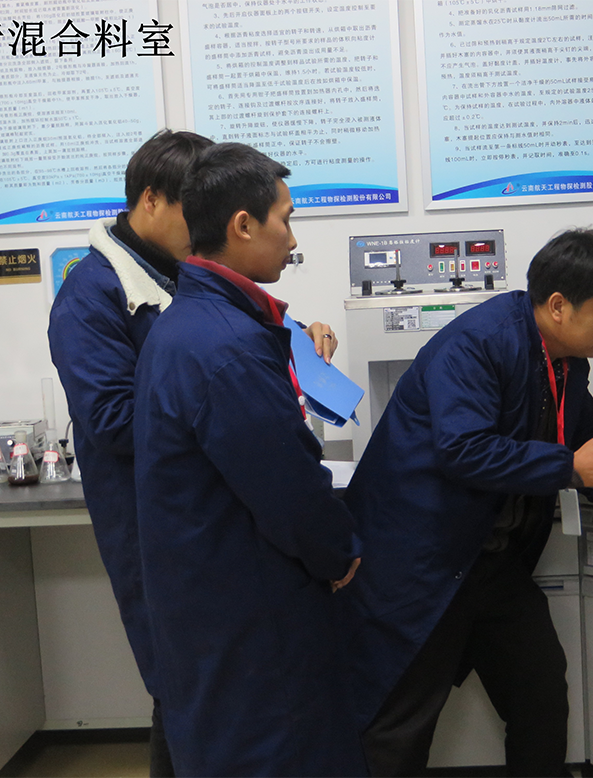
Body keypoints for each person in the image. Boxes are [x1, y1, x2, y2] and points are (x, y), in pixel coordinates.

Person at [48, 130, 339, 777]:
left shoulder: (183, 277)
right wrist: (222, 400)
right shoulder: (89, 296)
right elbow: (115, 418)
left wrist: (290, 346)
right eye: (192, 205)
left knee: (213, 694)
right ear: (151, 200)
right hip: (156, 522)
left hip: (214, 518)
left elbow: (221, 358)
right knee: (184, 686)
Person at [344, 228, 593, 778]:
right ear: (559, 306)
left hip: (491, 564)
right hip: (423, 565)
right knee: (398, 727)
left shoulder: (565, 358)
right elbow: (464, 450)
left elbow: (583, 429)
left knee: (540, 698)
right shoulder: (479, 344)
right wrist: (573, 468)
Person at [132, 142, 366, 778]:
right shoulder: (226, 348)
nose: (292, 239)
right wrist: (339, 551)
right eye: (285, 220)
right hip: (253, 625)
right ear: (242, 225)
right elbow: (289, 488)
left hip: (212, 611)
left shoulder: (189, 325)